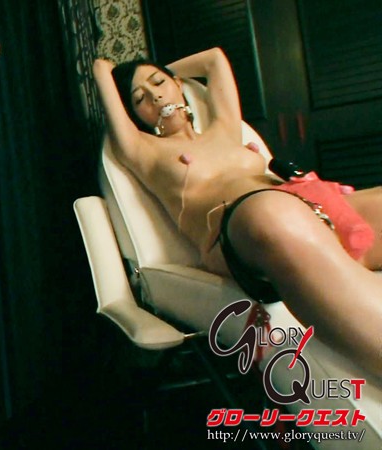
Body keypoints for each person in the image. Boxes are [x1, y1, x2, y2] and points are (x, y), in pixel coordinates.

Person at [93, 48, 382, 378]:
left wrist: (169, 73)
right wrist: (127, 74)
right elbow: (100, 69)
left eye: (158, 83)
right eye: (139, 98)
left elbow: (214, 60)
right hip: (243, 225)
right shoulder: (142, 150)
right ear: (133, 114)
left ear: (178, 84)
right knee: (273, 213)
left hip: (305, 203)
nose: (154, 95)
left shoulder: (225, 129)